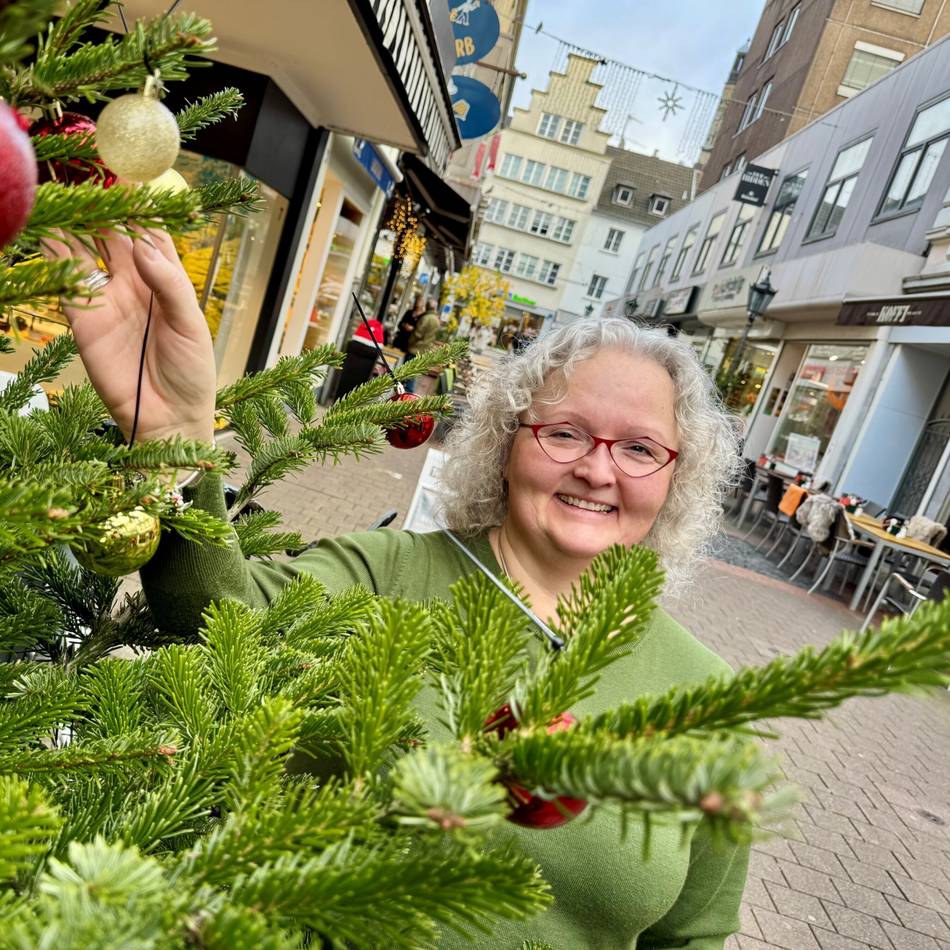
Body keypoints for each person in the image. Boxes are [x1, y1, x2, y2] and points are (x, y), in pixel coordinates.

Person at [49, 229, 747, 948]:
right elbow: (216, 607)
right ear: (508, 444)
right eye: (565, 433)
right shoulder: (385, 574)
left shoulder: (710, 696)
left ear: (675, 477)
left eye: (638, 448)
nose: (598, 471)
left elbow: (692, 934)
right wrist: (176, 435)